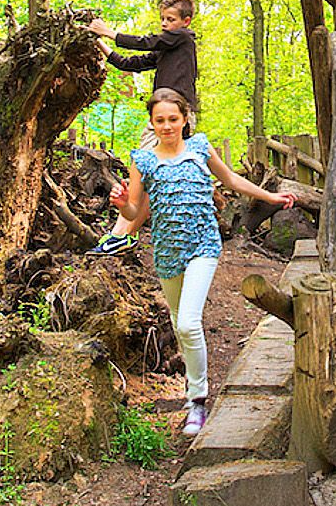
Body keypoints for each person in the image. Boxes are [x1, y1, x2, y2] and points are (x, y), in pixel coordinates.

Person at [109, 88, 295, 436]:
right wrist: (122, 204)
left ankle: (197, 402)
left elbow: (231, 180)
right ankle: (192, 391)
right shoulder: (143, 160)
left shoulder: (198, 148)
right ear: (152, 123)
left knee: (189, 324)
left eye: (173, 119)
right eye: (160, 120)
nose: (167, 126)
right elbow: (135, 211)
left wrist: (270, 196)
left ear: (185, 120)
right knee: (181, 324)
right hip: (166, 252)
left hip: (203, 247)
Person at [86, 0, 200, 255]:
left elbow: (145, 42)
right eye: (162, 19)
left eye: (170, 20)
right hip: (164, 115)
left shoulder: (183, 38)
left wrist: (110, 32)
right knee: (149, 176)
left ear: (186, 21)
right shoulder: (166, 49)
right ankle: (123, 235)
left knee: (142, 168)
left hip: (174, 115)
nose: (164, 24)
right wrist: (102, 44)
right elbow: (130, 63)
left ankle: (121, 235)